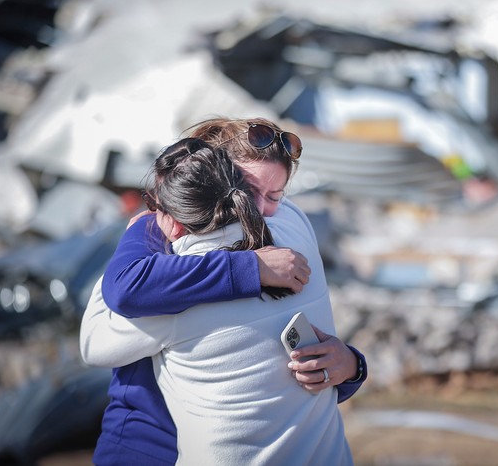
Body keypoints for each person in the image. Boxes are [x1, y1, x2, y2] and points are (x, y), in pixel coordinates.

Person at [80, 117, 366, 465]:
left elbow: (96, 340)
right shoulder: (293, 231)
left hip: (150, 444)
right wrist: (352, 368)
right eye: (246, 190)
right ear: (205, 176)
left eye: (274, 195)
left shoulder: (179, 266)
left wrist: (145, 226)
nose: (259, 212)